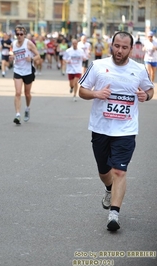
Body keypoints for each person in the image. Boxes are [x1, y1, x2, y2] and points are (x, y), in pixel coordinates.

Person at [78, 31, 154, 231]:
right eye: (116, 46)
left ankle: (114, 214)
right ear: (111, 45)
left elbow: (150, 90)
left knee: (119, 170)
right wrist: (96, 93)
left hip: (126, 130)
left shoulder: (138, 70)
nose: (119, 50)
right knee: (104, 172)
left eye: (124, 47)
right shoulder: (97, 65)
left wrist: (145, 96)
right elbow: (82, 90)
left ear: (131, 49)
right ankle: (108, 188)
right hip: (101, 128)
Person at [12, 25, 40, 124]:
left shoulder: (28, 43)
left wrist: (31, 59)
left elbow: (38, 55)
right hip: (18, 70)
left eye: (21, 34)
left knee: (27, 94)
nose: (19, 36)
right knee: (18, 92)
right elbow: (13, 54)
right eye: (17, 34)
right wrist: (12, 57)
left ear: (24, 34)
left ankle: (27, 108)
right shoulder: (14, 43)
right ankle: (18, 115)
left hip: (28, 71)